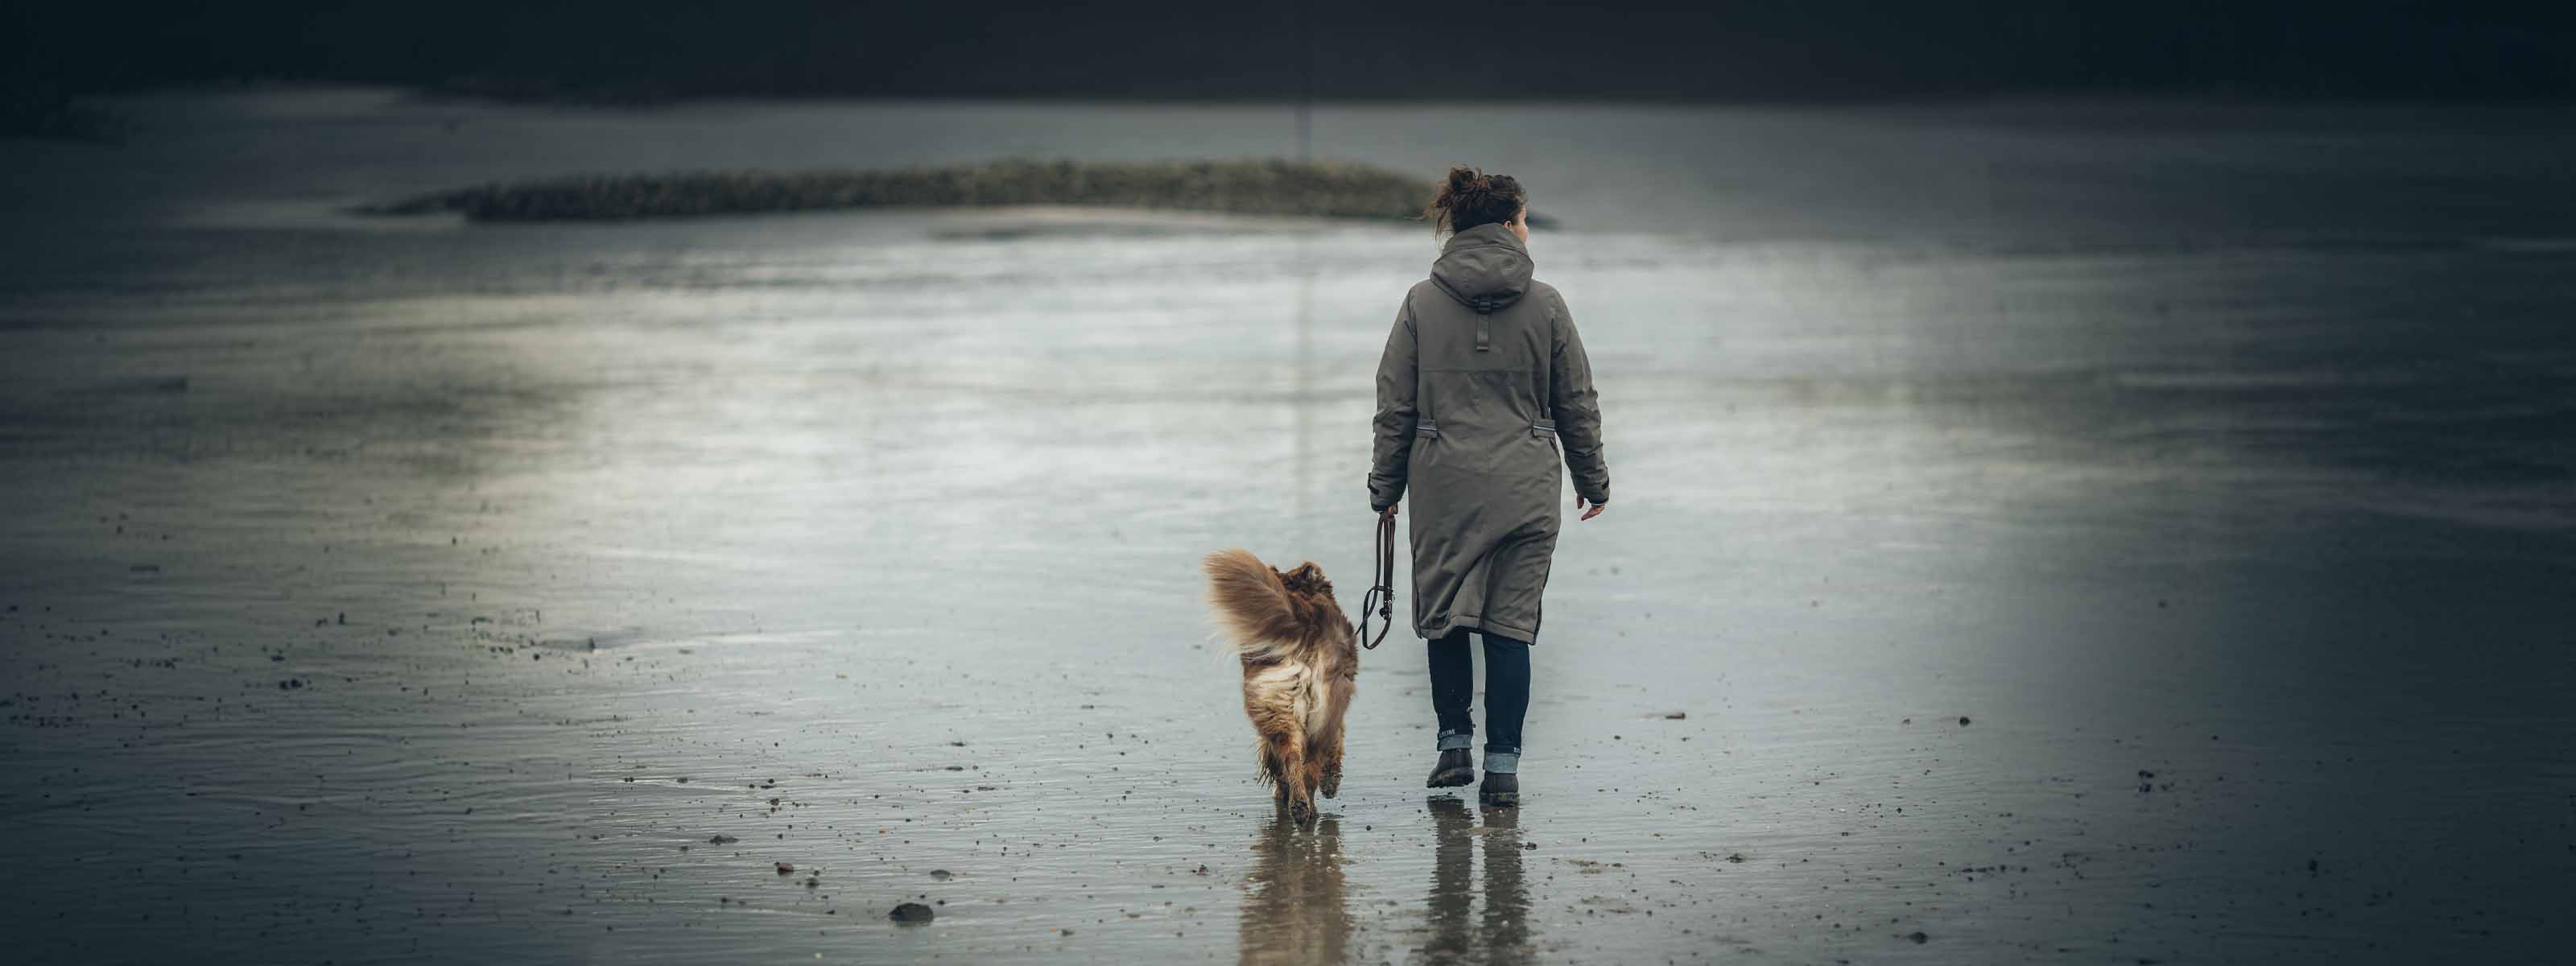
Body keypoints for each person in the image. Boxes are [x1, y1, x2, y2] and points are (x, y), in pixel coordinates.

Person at [1368, 167, 1611, 808]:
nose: (1528, 231)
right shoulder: (1549, 303)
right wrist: (1593, 480)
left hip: (1442, 482)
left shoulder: (1422, 301)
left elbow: (1394, 405)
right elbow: (1576, 402)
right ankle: (1502, 770)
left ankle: (1454, 745)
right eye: (1525, 220)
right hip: (1528, 486)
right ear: (1508, 225)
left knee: (1445, 616)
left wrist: (1385, 486)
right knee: (1510, 627)